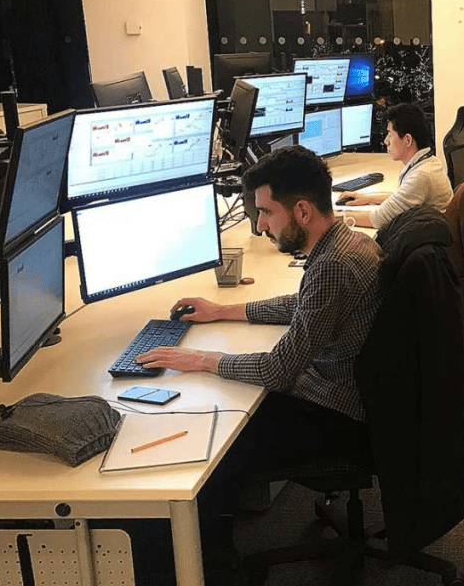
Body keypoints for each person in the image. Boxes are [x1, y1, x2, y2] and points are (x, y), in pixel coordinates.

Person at [136, 145, 383, 574]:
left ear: (302, 211)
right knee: (228, 411)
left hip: (340, 418)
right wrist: (224, 310)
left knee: (216, 446)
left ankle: (212, 565)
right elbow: (301, 305)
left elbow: (277, 370)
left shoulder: (334, 266)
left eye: (267, 212)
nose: (260, 225)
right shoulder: (347, 243)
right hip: (351, 395)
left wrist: (200, 359)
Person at [340, 102, 453, 229]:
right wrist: (368, 198)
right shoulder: (428, 161)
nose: (386, 141)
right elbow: (403, 199)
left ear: (407, 140)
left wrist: (333, 218)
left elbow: (377, 219)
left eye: (390, 134)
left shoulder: (421, 175)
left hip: (428, 237)